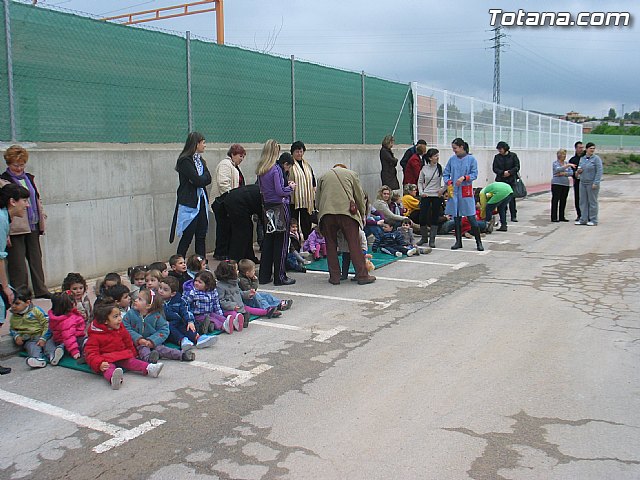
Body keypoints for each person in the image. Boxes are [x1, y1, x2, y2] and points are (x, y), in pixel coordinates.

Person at [0, 146, 49, 299]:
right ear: (9, 163)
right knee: (17, 263)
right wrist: (6, 232)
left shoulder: (29, 178)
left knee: (36, 259)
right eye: (16, 165)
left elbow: (36, 198)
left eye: (22, 165)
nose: (19, 168)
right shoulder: (3, 180)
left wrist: (42, 215)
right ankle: (21, 294)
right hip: (16, 228)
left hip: (33, 224)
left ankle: (41, 290)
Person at [315, 164, 375, 285]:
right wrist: (362, 213)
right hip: (347, 214)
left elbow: (317, 201)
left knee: (331, 245)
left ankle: (334, 277)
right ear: (345, 169)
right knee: (354, 244)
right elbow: (359, 196)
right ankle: (362, 276)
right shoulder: (352, 174)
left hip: (327, 214)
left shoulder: (322, 176)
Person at [85, 298, 164, 390]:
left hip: (121, 354)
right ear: (105, 321)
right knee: (108, 368)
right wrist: (99, 363)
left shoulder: (120, 328)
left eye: (119, 315)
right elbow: (90, 353)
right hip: (106, 358)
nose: (120, 319)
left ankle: (150, 368)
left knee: (132, 361)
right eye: (115, 317)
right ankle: (114, 379)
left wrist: (133, 353)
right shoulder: (95, 335)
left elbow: (128, 341)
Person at [256, 141, 296, 286]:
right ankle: (280, 276)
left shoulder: (261, 169)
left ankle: (264, 275)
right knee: (281, 242)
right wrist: (290, 188)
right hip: (280, 206)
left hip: (268, 207)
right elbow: (280, 191)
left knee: (269, 241)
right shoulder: (275, 169)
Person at [0, 183, 30, 374]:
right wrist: (5, 286)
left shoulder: (4, 217)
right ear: (12, 201)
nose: (27, 205)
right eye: (24, 201)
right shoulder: (2, 219)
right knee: (3, 303)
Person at [170, 132, 212, 258]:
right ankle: (179, 262)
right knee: (187, 235)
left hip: (201, 201)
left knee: (201, 235)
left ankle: (201, 262)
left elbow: (208, 178)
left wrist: (199, 179)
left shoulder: (201, 161)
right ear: (196, 144)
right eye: (203, 142)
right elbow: (198, 180)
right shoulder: (185, 161)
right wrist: (199, 179)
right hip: (190, 203)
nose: (205, 145)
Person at [158, 276, 216, 355]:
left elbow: (186, 311)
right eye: (160, 288)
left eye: (165, 290)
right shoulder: (156, 301)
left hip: (178, 321)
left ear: (173, 293)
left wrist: (190, 321)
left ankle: (198, 338)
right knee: (170, 329)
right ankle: (182, 340)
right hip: (166, 324)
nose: (161, 291)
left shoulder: (180, 301)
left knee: (187, 326)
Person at [443, 138, 484, 251]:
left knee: (471, 217)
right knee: (456, 218)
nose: (454, 150)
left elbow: (474, 174)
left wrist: (464, 178)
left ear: (461, 147)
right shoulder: (452, 159)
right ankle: (458, 241)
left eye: (455, 148)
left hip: (466, 191)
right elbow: (446, 174)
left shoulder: (471, 159)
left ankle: (479, 242)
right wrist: (448, 181)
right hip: (454, 192)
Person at [123, 288, 184, 363]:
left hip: (154, 342)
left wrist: (152, 341)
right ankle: (149, 358)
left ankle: (181, 355)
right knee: (143, 349)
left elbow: (164, 330)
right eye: (137, 298)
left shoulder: (157, 316)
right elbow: (125, 327)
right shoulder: (130, 314)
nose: (135, 300)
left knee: (162, 349)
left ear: (148, 306)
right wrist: (138, 339)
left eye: (139, 299)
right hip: (138, 343)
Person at [215, 260, 280, 327]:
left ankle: (267, 312)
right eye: (236, 270)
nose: (238, 272)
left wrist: (248, 294)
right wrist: (232, 306)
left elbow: (239, 293)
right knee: (234, 314)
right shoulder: (220, 286)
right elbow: (220, 301)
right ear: (229, 273)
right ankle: (238, 322)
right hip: (229, 309)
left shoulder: (235, 282)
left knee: (250, 309)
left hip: (240, 306)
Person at [9, 286, 61, 368]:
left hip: (43, 336)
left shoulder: (36, 311)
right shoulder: (13, 317)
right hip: (30, 340)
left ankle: (53, 356)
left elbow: (47, 323)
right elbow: (12, 328)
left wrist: (43, 338)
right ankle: (37, 360)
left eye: (17, 303)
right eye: (12, 303)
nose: (13, 306)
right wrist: (16, 336)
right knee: (32, 348)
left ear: (27, 303)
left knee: (49, 346)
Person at [211, 144, 246, 260]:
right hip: (223, 202)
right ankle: (221, 252)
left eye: (243, 156)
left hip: (229, 202)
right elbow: (223, 184)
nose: (242, 159)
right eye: (240, 156)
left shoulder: (233, 166)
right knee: (224, 228)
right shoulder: (225, 165)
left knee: (228, 227)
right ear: (233, 154)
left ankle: (225, 251)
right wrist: (232, 198)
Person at [184, 270, 238, 334]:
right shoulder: (192, 292)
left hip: (209, 313)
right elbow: (186, 304)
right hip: (198, 315)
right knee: (213, 320)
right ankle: (223, 327)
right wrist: (190, 318)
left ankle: (233, 324)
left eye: (200, 282)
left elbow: (216, 304)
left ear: (207, 285)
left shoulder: (212, 291)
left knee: (220, 318)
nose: (196, 283)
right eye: (196, 281)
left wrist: (220, 314)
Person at [222, 184, 262, 263]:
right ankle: (235, 259)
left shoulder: (264, 191)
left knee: (247, 229)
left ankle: (248, 257)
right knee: (242, 231)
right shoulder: (268, 196)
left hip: (236, 199)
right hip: (236, 202)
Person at [47, 291, 86, 362]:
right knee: (85, 341)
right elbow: (68, 336)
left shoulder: (55, 317)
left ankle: (54, 354)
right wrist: (74, 351)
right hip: (73, 340)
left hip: (59, 340)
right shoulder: (69, 320)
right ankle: (61, 349)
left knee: (50, 342)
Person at [288, 141, 316, 238]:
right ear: (292, 152)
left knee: (306, 221)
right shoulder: (290, 165)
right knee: (293, 220)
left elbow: (312, 178)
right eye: (297, 152)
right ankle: (294, 240)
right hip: (293, 199)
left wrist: (314, 189)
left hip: (306, 199)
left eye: (301, 151)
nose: (299, 154)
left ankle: (307, 239)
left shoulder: (307, 165)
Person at [417, 148, 444, 248]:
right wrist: (421, 192)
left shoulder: (440, 168)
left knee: (435, 217)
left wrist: (442, 190)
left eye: (438, 155)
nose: (437, 157)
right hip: (426, 195)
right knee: (422, 216)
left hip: (436, 195)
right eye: (435, 156)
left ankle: (432, 239)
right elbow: (420, 181)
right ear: (430, 158)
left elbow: (447, 180)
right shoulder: (424, 168)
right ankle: (424, 237)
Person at [492, 141, 520, 222]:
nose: (499, 151)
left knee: (511, 199)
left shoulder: (513, 156)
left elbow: (517, 167)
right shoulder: (497, 157)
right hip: (501, 180)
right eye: (498, 149)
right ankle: (502, 216)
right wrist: (502, 173)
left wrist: (509, 172)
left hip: (511, 180)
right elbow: (495, 168)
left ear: (505, 148)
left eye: (501, 149)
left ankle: (513, 215)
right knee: (501, 198)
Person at [575, 142, 603, 226]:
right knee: (583, 201)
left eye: (593, 148)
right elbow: (579, 168)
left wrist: (596, 182)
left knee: (592, 202)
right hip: (583, 183)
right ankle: (583, 219)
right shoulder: (582, 159)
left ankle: (593, 220)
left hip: (592, 183)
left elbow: (599, 171)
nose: (592, 150)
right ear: (586, 149)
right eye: (590, 148)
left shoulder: (596, 159)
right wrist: (579, 171)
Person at [550, 149, 574, 223]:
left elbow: (571, 172)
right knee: (555, 200)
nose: (564, 156)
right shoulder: (555, 163)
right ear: (559, 155)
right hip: (557, 183)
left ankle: (561, 216)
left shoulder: (566, 163)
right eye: (563, 154)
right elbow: (557, 170)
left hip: (565, 184)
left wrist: (564, 173)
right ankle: (554, 217)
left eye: (565, 154)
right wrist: (567, 166)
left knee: (563, 200)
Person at [568, 141, 585, 221]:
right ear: (576, 148)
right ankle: (579, 215)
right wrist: (575, 173)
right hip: (577, 181)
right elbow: (570, 171)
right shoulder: (573, 160)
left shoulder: (586, 158)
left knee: (586, 198)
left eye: (582, 147)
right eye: (580, 148)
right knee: (577, 198)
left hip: (586, 181)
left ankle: (586, 214)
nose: (581, 149)